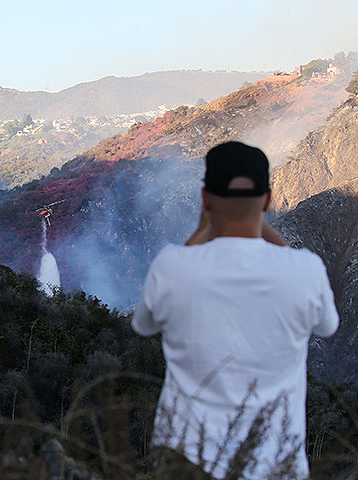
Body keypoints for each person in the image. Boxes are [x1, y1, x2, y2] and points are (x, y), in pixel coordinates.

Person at [132, 141, 338, 479]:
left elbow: (143, 325)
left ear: (206, 200)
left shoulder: (172, 266)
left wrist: (203, 230)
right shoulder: (306, 270)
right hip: (277, 467)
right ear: (269, 200)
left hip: (187, 464)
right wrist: (260, 226)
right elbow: (328, 326)